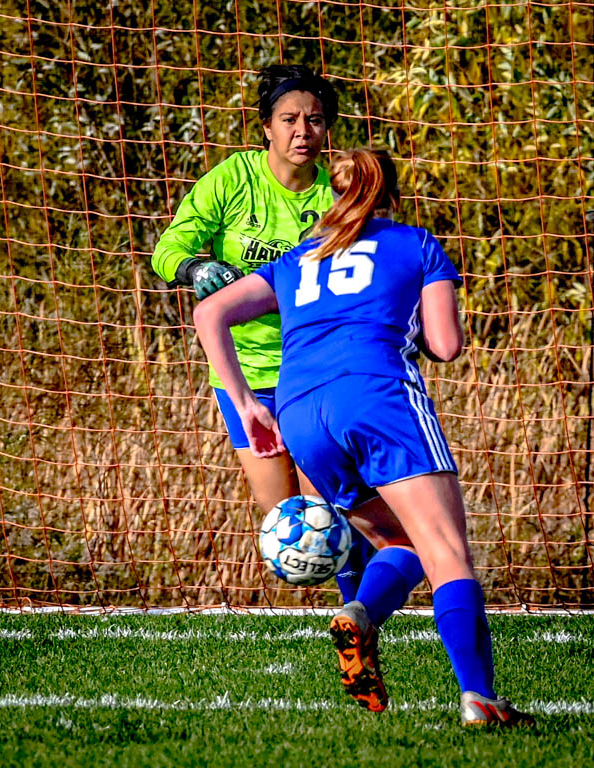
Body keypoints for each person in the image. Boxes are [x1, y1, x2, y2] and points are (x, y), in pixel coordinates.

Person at [192, 148, 536, 727]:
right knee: (448, 551)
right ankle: (479, 697)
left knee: (404, 542)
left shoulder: (295, 257)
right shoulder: (416, 243)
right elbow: (447, 345)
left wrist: (248, 402)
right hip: (376, 396)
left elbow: (210, 314)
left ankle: (360, 614)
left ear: (332, 197)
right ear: (390, 197)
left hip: (301, 413)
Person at [152, 65, 423, 606]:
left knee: (332, 510)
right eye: (290, 119)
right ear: (267, 127)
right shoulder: (233, 180)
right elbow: (167, 249)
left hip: (315, 372)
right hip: (242, 375)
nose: (303, 131)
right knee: (287, 524)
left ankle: (359, 620)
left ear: (328, 130)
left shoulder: (337, 194)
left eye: (316, 120)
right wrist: (193, 269)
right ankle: (353, 609)